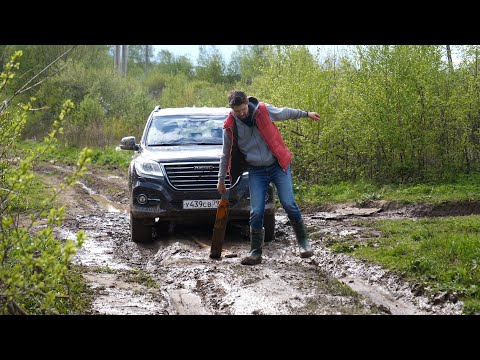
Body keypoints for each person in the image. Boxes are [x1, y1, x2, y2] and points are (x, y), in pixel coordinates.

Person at [217, 90, 321, 265]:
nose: (242, 114)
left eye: (243, 109)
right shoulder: (229, 126)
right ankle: (255, 252)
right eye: (237, 111)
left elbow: (284, 112)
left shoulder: (263, 110)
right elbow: (225, 154)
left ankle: (304, 243)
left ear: (246, 104)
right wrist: (221, 179)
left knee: (288, 203)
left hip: (278, 165)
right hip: (256, 170)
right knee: (256, 211)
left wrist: (306, 114)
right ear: (231, 109)